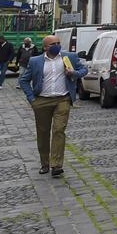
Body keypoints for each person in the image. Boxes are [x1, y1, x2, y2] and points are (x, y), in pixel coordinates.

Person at [19, 34, 88, 177]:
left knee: (59, 130)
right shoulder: (35, 61)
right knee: (43, 133)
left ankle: (56, 165)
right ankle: (44, 163)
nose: (57, 45)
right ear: (45, 47)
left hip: (62, 99)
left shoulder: (69, 57)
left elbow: (84, 70)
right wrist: (32, 99)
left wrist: (73, 73)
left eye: (58, 43)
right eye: (53, 44)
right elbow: (24, 80)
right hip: (42, 100)